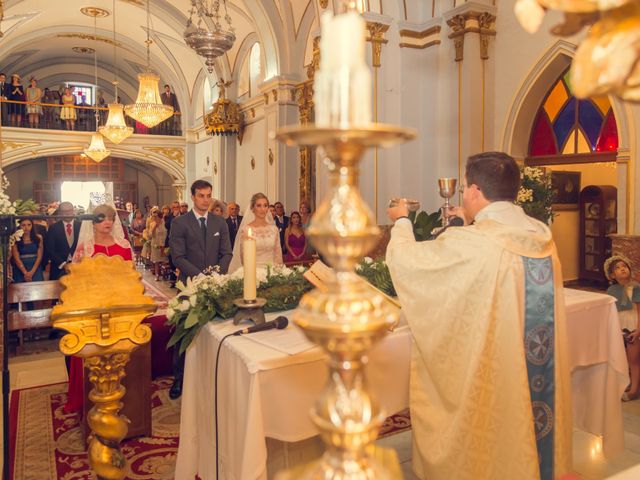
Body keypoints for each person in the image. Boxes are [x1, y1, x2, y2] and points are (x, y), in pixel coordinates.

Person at [386, 152, 571, 480]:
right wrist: (470, 223)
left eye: (465, 193)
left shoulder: (476, 243)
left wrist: (402, 220)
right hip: (532, 369)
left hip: (492, 369)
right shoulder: (540, 235)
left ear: (473, 191)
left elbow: (408, 263)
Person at [66, 203, 133, 414]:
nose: (108, 222)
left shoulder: (123, 246)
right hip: (93, 309)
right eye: (102, 218)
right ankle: (88, 399)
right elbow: (75, 279)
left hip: (120, 308)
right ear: (92, 223)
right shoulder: (85, 248)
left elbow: (132, 278)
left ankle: (127, 397)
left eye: (111, 219)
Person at [169, 179, 233, 398]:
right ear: (193, 196)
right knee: (184, 331)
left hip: (215, 283)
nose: (205, 200)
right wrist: (199, 276)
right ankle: (179, 378)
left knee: (214, 330)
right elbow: (177, 257)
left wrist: (216, 274)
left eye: (208, 195)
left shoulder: (220, 223)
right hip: (189, 284)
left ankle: (210, 374)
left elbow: (227, 253)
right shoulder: (180, 223)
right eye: (201, 196)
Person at [605, 255, 640, 401]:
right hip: (619, 326)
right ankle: (628, 382)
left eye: (624, 266)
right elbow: (609, 309)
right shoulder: (611, 290)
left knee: (634, 359)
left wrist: (638, 330)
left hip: (633, 325)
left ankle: (634, 391)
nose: (622, 269)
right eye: (618, 268)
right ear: (612, 275)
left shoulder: (636, 287)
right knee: (623, 357)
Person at [228, 193, 283, 273]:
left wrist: (278, 273)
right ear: (252, 208)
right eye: (259, 205)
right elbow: (243, 257)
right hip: (253, 273)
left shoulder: (274, 229)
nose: (262, 209)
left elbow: (278, 255)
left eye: (265, 205)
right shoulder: (246, 230)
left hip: (272, 273)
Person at [45, 201, 81, 280]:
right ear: (60, 212)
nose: (67, 213)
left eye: (69, 211)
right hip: (58, 269)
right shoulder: (53, 228)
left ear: (73, 211)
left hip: (79, 268)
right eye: (64, 211)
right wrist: (63, 264)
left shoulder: (81, 226)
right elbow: (50, 249)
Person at [149, 206, 168, 280]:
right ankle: (157, 275)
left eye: (156, 216)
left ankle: (164, 274)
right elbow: (150, 235)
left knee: (163, 260)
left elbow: (166, 232)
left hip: (163, 243)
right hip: (155, 244)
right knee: (156, 261)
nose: (155, 218)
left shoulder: (164, 223)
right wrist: (154, 227)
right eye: (154, 217)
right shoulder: (152, 224)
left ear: (160, 216)